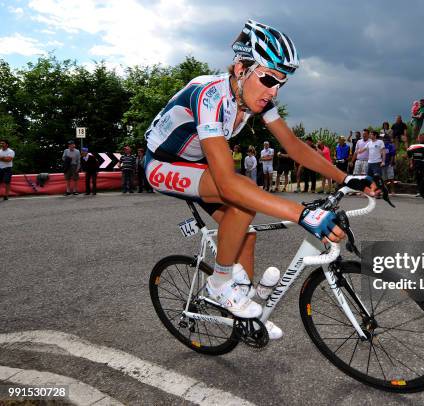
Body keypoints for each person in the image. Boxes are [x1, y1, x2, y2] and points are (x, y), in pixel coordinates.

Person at [142, 20, 377, 337]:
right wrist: (302, 214)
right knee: (242, 196)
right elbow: (226, 183)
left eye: (281, 82)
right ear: (241, 69)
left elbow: (293, 146)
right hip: (163, 165)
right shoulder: (208, 96)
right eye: (268, 78)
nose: (274, 90)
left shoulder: (258, 100)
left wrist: (345, 177)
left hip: (197, 167)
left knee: (245, 233)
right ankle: (220, 284)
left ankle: (245, 314)